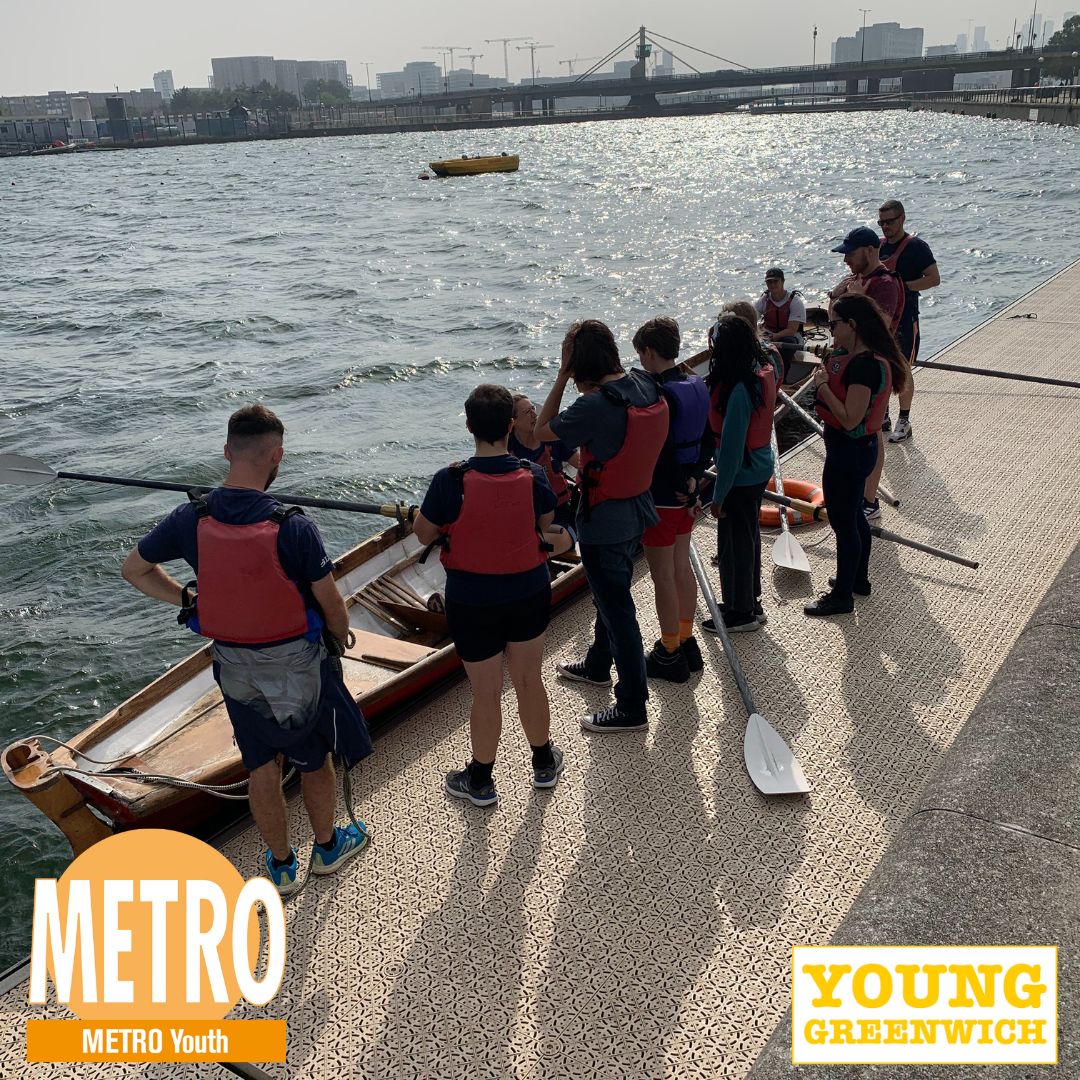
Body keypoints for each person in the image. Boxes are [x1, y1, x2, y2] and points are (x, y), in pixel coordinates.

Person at [121, 404, 372, 898]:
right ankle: (327, 848)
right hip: (296, 667)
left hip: (233, 665)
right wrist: (340, 638)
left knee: (261, 765)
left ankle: (281, 868)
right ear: (277, 455)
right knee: (314, 758)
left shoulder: (189, 517)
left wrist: (190, 598)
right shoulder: (293, 526)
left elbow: (135, 570)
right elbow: (332, 605)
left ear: (226, 451)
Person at [413, 384, 573, 807]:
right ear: (509, 425)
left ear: (468, 426)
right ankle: (542, 763)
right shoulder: (534, 474)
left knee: (486, 691)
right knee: (528, 679)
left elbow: (423, 533)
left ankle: (481, 780)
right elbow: (545, 520)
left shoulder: (450, 480)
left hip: (472, 600)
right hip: (527, 591)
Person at [534, 320, 669, 732]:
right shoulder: (645, 386)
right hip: (636, 510)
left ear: (579, 365)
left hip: (603, 519)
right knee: (610, 596)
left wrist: (559, 376)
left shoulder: (596, 405)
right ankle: (596, 663)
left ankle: (631, 706)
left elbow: (541, 432)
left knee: (618, 609)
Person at [805, 294, 908, 617]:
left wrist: (821, 388)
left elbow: (851, 417)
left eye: (834, 324)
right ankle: (857, 579)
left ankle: (841, 596)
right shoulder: (856, 357)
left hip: (849, 453)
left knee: (843, 521)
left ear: (852, 325)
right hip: (855, 451)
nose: (831, 330)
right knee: (853, 517)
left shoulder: (864, 367)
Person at [632, 317, 712, 682]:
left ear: (649, 352)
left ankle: (668, 652)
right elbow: (709, 439)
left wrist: (680, 480)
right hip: (689, 494)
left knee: (662, 576)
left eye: (641, 355)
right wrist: (694, 480)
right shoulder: (696, 384)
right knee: (682, 568)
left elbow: (659, 450)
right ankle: (685, 637)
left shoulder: (659, 394)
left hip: (663, 496)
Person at [704, 313, 781, 633]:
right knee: (748, 537)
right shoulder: (762, 371)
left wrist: (718, 497)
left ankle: (741, 612)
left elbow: (733, 451)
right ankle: (751, 599)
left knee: (735, 544)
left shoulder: (738, 392)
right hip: (760, 465)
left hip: (742, 474)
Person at [829, 225, 905, 524]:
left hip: (872, 367)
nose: (846, 260)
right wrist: (837, 295)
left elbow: (881, 325)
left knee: (871, 432)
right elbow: (838, 322)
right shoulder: (857, 279)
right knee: (856, 432)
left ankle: (870, 500)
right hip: (851, 364)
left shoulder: (884, 283)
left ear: (870, 250)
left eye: (850, 253)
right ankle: (858, 490)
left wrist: (858, 299)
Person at [878, 199, 940, 443]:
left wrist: (903, 287)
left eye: (890, 222)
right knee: (879, 366)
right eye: (881, 223)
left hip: (905, 319)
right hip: (881, 320)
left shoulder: (917, 247)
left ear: (902, 219)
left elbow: (934, 279)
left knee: (903, 368)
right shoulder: (878, 247)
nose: (885, 227)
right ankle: (882, 415)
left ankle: (904, 420)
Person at [509, 393, 580, 527]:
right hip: (526, 515)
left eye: (533, 409)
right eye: (526, 412)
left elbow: (581, 464)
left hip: (561, 511)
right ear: (514, 421)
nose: (534, 415)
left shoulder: (552, 438)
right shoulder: (508, 448)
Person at [755, 268, 806, 385]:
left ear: (782, 282)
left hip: (789, 338)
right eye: (769, 282)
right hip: (769, 335)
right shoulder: (764, 300)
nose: (772, 284)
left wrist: (774, 336)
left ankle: (783, 380)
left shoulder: (795, 301)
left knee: (786, 345)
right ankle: (762, 377)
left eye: (775, 281)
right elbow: (753, 318)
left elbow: (791, 330)